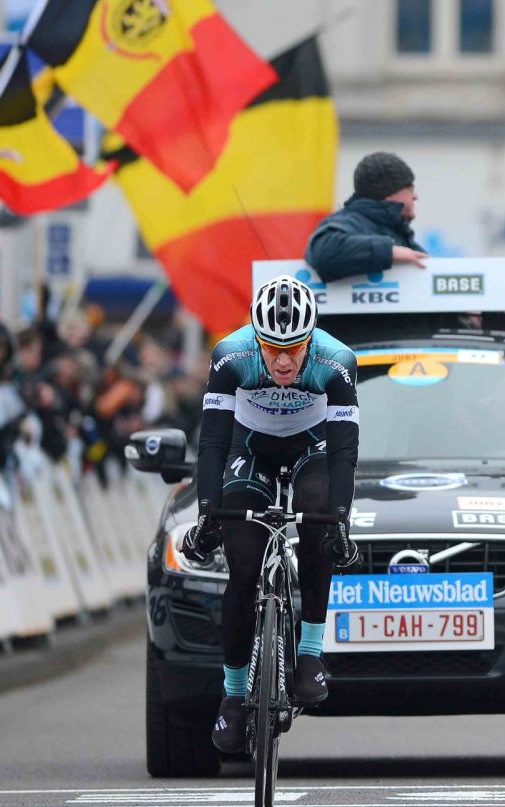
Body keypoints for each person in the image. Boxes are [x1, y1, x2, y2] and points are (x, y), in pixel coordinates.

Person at [180, 274, 362, 754]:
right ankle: (233, 695)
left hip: (312, 448)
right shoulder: (230, 355)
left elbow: (344, 454)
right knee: (242, 566)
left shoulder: (337, 361)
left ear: (311, 339)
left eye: (294, 349)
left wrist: (341, 521)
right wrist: (207, 515)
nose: (282, 361)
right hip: (249, 448)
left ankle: (310, 654)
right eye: (272, 348)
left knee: (319, 518)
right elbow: (212, 442)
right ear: (256, 338)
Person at [304, 151, 428, 280]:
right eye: (410, 189)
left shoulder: (394, 230)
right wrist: (390, 251)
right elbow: (324, 251)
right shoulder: (348, 223)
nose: (415, 196)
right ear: (391, 194)